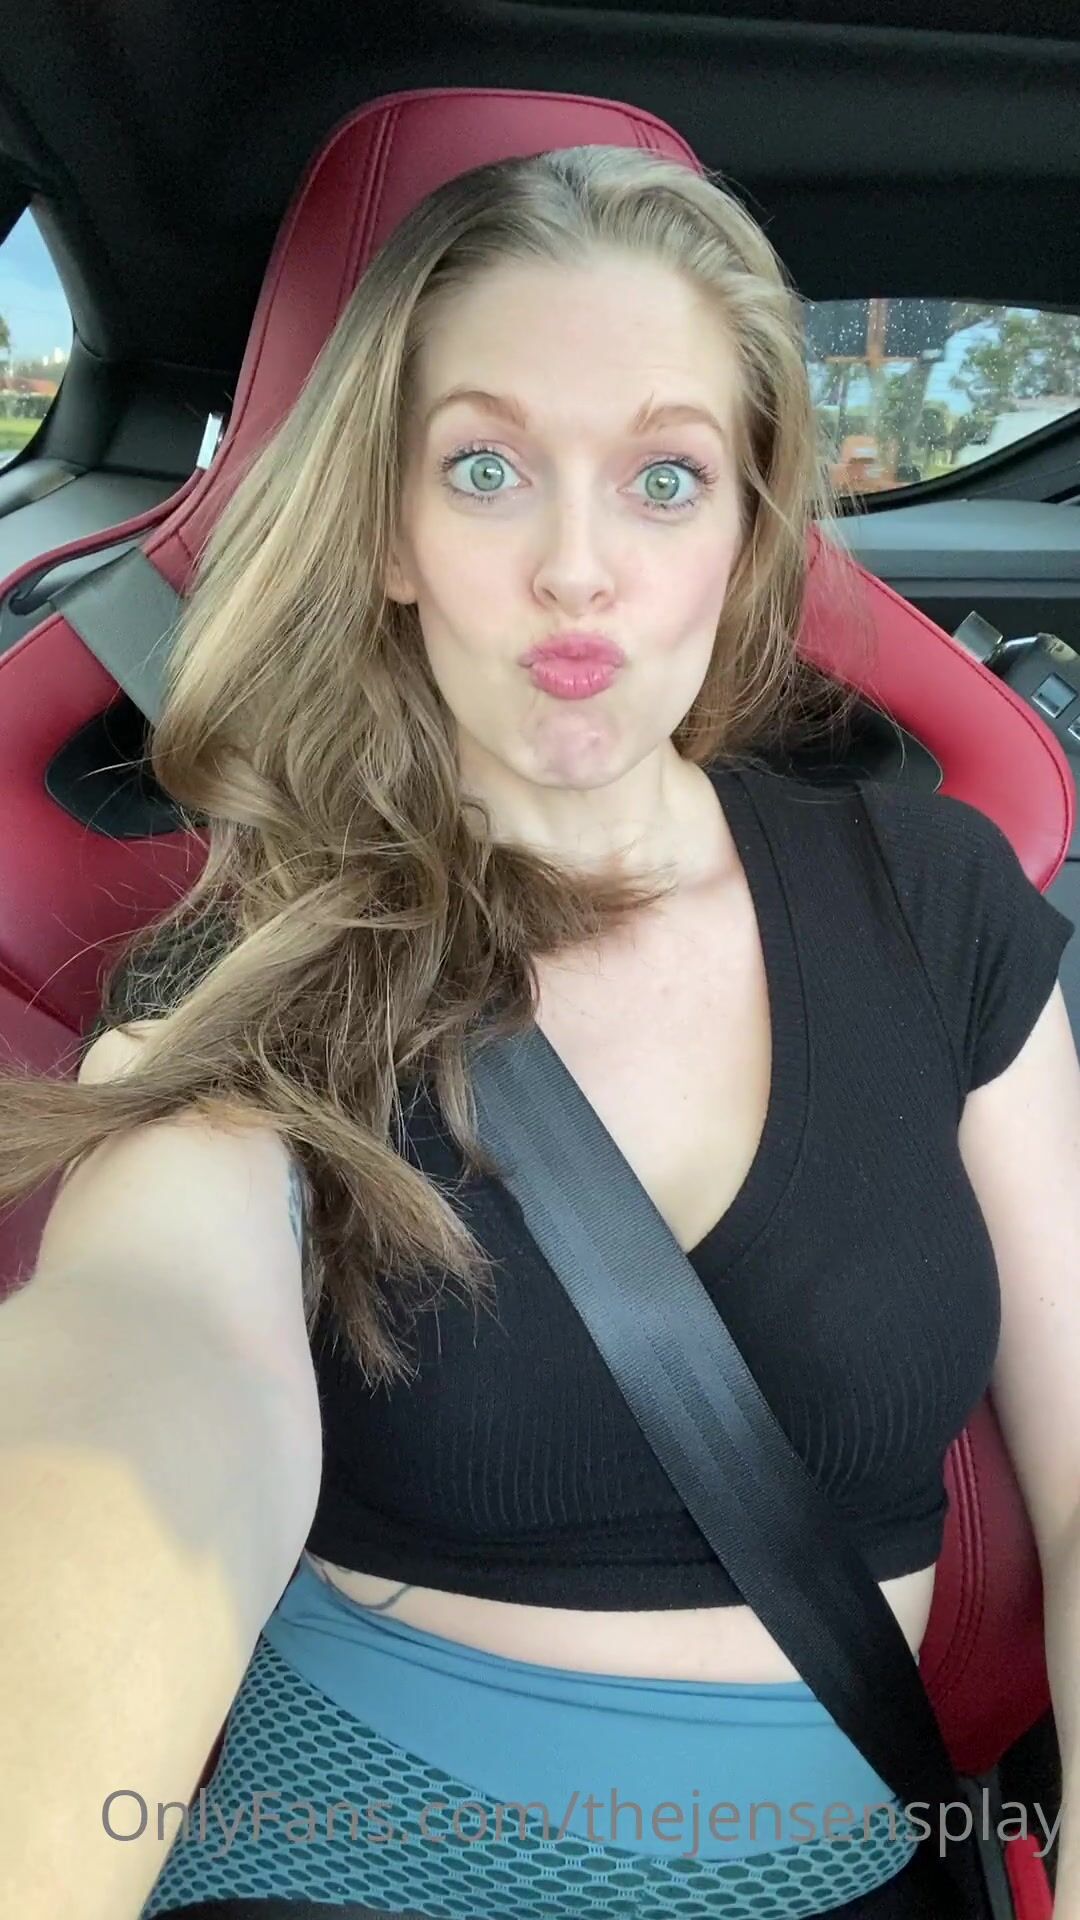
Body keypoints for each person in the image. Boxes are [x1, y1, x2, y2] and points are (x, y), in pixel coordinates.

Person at [0, 143, 1075, 1920]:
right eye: (485, 469)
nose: (578, 569)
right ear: (394, 536)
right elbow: (138, 1364)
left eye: (666, 478)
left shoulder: (934, 899)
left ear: (746, 533)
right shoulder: (250, 972)